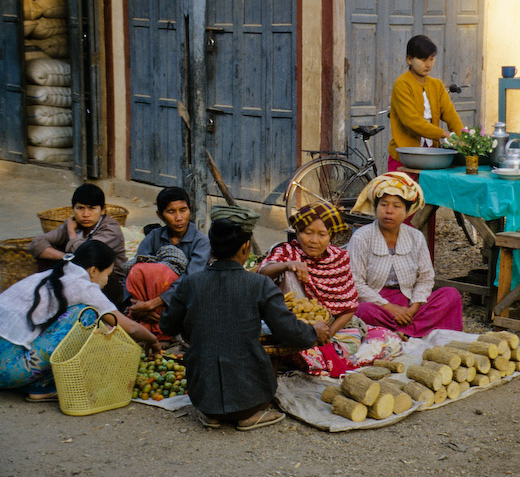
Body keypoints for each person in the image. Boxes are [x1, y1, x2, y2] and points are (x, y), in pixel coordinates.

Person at [160, 205, 327, 430]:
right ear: (246, 246)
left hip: (202, 397)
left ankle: (213, 416)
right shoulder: (259, 284)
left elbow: (168, 325)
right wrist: (314, 331)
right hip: (251, 399)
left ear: (212, 246)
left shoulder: (191, 283)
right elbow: (288, 331)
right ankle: (248, 416)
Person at [0, 240, 160, 402]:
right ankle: (43, 387)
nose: (106, 281)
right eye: (107, 275)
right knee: (86, 315)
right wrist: (153, 340)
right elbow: (129, 327)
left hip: (6, 364)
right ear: (93, 270)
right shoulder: (83, 286)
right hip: (7, 372)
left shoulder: (48, 275)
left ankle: (29, 382)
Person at [349, 172, 463, 338]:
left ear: (407, 212)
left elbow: (425, 278)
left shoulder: (415, 236)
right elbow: (356, 283)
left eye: (396, 206)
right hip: (377, 304)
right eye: (384, 205)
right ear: (376, 208)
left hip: (409, 302)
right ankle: (410, 331)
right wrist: (390, 308)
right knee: (362, 310)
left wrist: (413, 308)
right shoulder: (361, 237)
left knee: (451, 295)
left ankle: (395, 332)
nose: (389, 211)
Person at [258, 202, 363, 376]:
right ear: (297, 233)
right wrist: (287, 265)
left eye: (322, 234)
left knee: (373, 340)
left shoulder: (340, 259)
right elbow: (263, 272)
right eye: (307, 233)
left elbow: (349, 307)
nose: (314, 240)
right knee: (295, 350)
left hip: (329, 331)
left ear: (331, 236)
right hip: (291, 330)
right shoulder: (287, 252)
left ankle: (318, 357)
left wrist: (328, 334)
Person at [387, 35, 465, 259]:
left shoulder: (436, 85)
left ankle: (424, 268)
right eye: (422, 59)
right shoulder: (401, 84)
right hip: (405, 159)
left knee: (426, 213)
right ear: (409, 59)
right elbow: (411, 121)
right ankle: (396, 269)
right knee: (403, 215)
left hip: (431, 160)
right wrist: (442, 133)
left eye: (431, 59)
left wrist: (464, 137)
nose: (428, 64)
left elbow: (450, 114)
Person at [126, 187, 210, 333]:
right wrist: (137, 305)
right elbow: (136, 271)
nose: (179, 218)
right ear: (160, 215)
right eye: (171, 212)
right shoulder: (153, 237)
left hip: (182, 304)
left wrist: (153, 304)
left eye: (183, 210)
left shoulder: (201, 242)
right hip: (147, 305)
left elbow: (191, 280)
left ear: (189, 210)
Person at [29, 183, 126, 307]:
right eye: (80, 208)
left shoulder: (111, 230)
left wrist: (71, 232)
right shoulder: (75, 224)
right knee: (47, 255)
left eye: (92, 208)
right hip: (80, 278)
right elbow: (36, 244)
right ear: (73, 209)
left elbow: (87, 253)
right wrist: (65, 257)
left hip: (109, 283)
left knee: (90, 264)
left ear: (102, 210)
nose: (85, 214)